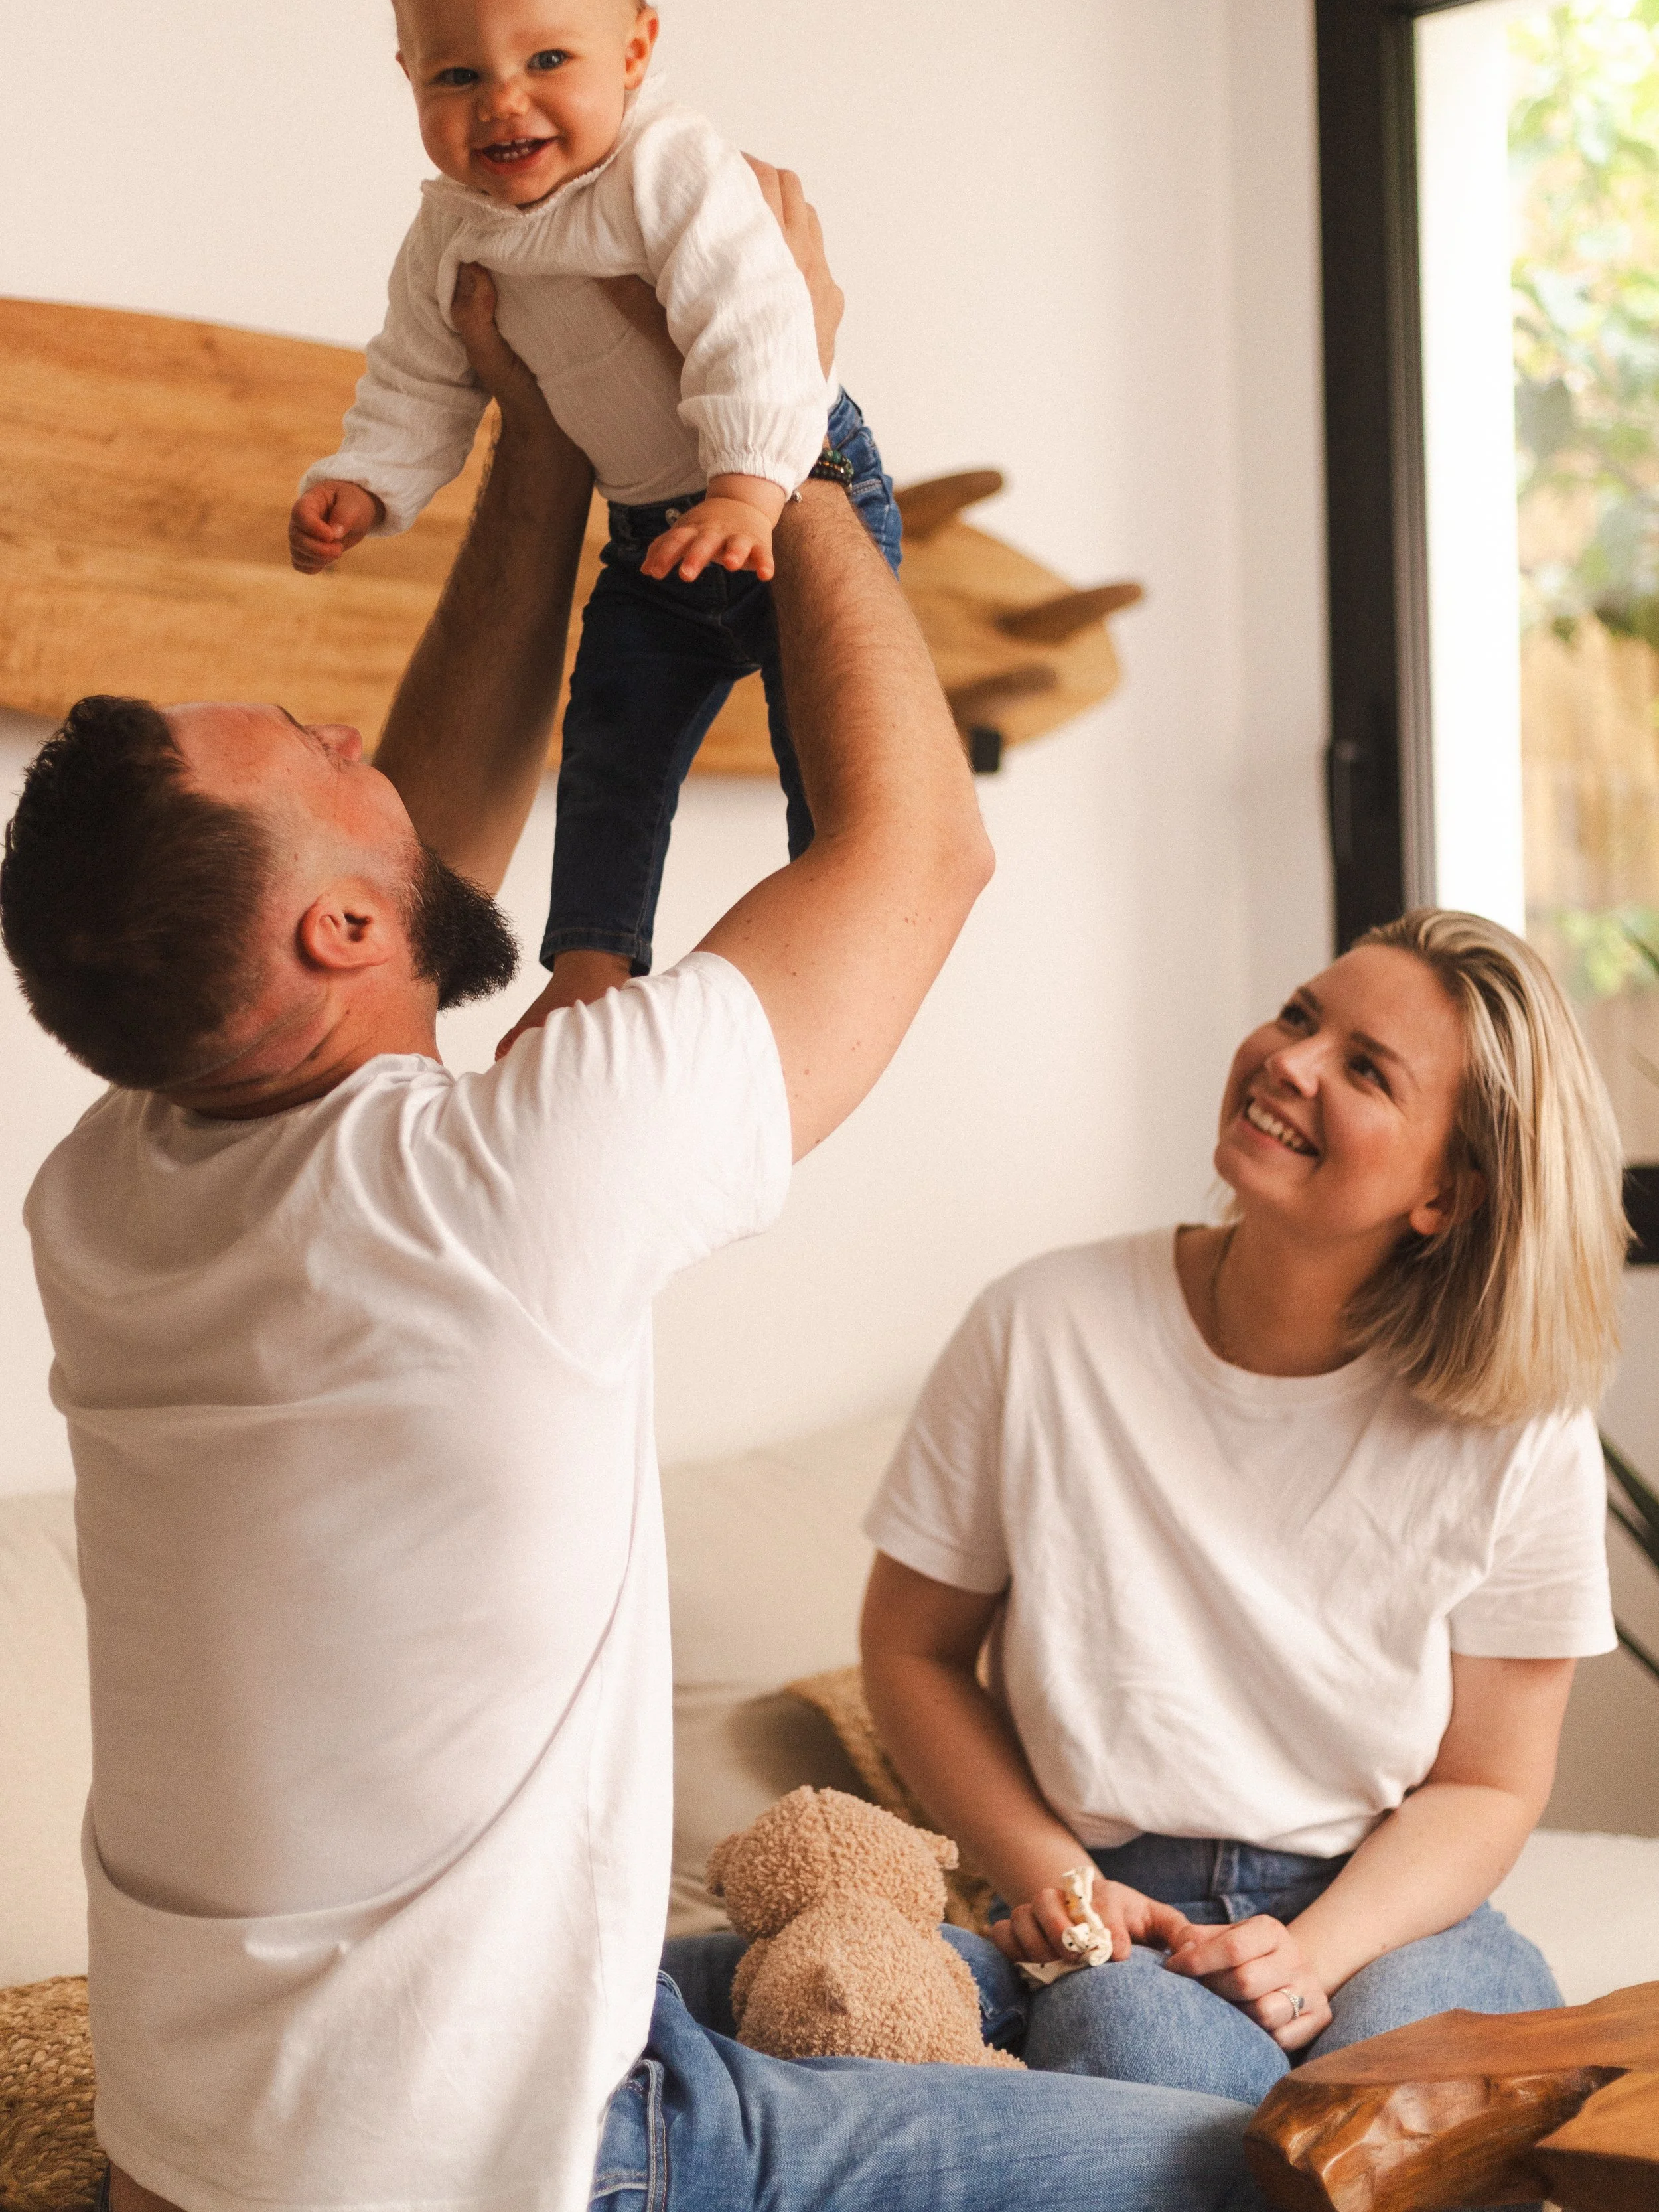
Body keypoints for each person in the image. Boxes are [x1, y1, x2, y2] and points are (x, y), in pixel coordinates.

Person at [2, 184, 1268, 2212]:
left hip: (213, 2140)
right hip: (517, 2155)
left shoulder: (113, 1189)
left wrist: (535, 428)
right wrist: (805, 406)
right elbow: (920, 854)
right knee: (1251, 2166)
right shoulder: (499, 1184)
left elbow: (419, 816)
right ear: (339, 923)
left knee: (938, 1970)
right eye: (317, 753)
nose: (356, 733)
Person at [860, 912, 1626, 2105]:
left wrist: (1315, 1954)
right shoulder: (1041, 1326)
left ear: (1448, 1195)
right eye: (1301, 1014)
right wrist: (1058, 1886)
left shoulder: (1521, 1428)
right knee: (1147, 2066)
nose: (1289, 1059)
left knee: (1422, 2098)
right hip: (1117, 1901)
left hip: (1388, 1909)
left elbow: (1490, 1781)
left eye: (1365, 1068)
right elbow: (909, 1649)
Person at [288, 0, 902, 1044]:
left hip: (775, 483)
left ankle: (838, 940)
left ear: (636, 48)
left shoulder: (670, 169)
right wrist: (370, 480)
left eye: (548, 62)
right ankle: (588, 963)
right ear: (410, 78)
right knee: (611, 740)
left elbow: (760, 323)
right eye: (458, 75)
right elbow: (424, 371)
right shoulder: (451, 229)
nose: (504, 103)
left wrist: (748, 487)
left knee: (823, 749)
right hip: (649, 527)